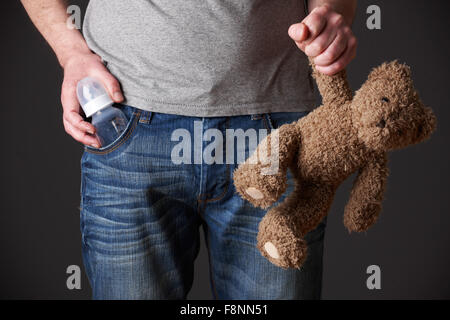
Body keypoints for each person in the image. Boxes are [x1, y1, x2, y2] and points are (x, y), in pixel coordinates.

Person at [21, 0, 357, 299]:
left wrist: (330, 15)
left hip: (276, 134)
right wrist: (71, 52)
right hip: (126, 122)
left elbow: (329, 9)